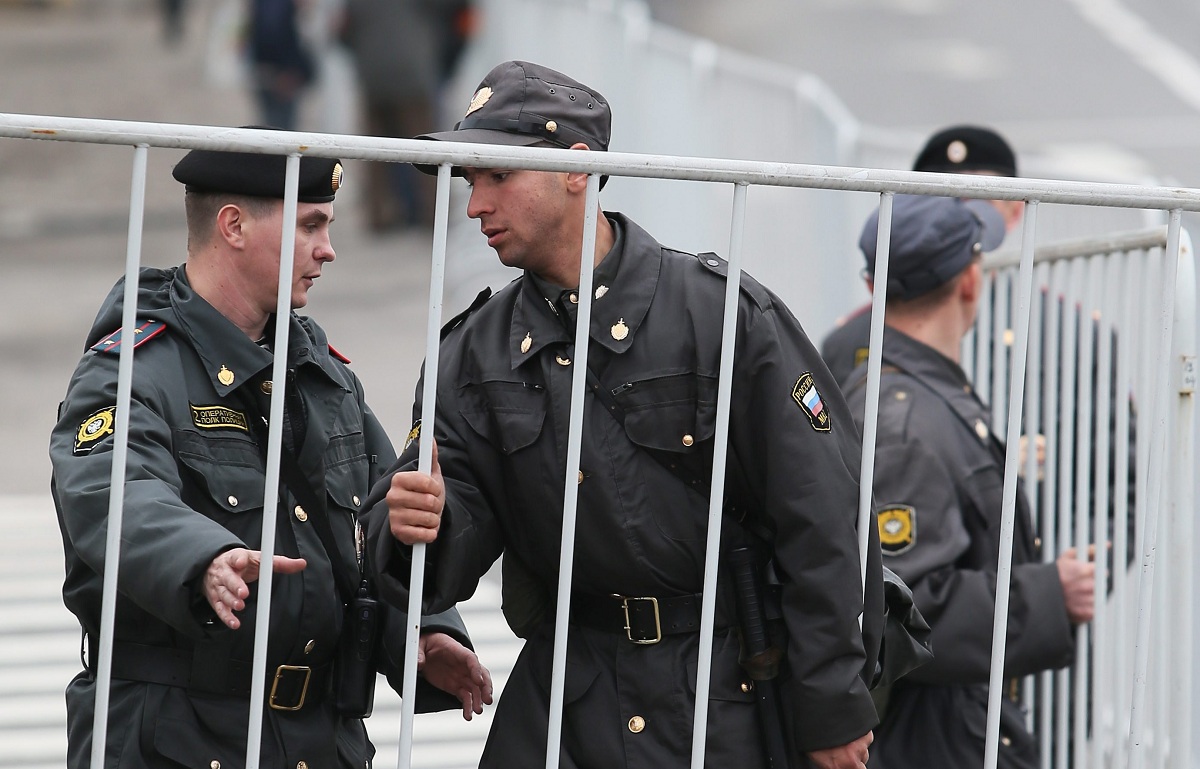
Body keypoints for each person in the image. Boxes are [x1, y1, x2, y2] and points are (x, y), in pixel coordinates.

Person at [363, 60, 883, 769]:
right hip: (571, 706)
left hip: (722, 697)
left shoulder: (721, 315)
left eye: (496, 176)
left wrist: (831, 704)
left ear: (577, 170)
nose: (474, 205)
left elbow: (822, 515)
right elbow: (437, 553)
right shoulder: (468, 355)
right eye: (469, 182)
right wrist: (413, 527)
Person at [49, 141, 493, 768]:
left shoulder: (321, 374)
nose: (328, 248)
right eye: (310, 225)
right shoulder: (130, 371)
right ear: (232, 226)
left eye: (328, 225)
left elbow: (373, 526)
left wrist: (425, 631)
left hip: (317, 739)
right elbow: (111, 491)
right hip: (179, 737)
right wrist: (202, 558)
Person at [841, 194, 1096, 769]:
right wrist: (1051, 595)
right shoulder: (903, 417)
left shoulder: (916, 392)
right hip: (932, 741)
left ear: (873, 286)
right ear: (970, 281)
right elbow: (903, 610)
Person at [821, 125, 1023, 387]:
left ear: (1015, 212)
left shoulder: (1064, 332)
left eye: (979, 204)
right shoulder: (848, 343)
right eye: (938, 204)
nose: (958, 220)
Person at [338, 0, 473, 232]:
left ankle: (379, 216)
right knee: (426, 150)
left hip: (373, 76)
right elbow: (456, 12)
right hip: (415, 73)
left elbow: (343, 33)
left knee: (375, 151)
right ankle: (433, 215)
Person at [248, 0, 316, 131]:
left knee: (275, 129)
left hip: (275, 71)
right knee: (279, 132)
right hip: (281, 74)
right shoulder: (277, 6)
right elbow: (272, 31)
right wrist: (288, 70)